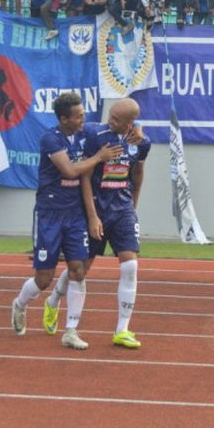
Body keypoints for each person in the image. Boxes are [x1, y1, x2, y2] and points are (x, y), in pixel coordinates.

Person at [11, 92, 124, 350]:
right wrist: (97, 158)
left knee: (78, 270)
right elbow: (70, 170)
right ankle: (19, 304)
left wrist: (135, 130)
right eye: (79, 116)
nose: (84, 118)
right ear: (64, 119)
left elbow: (114, 127)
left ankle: (71, 330)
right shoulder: (51, 139)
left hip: (75, 215)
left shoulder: (85, 133)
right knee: (44, 279)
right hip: (50, 214)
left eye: (84, 114)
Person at [54, 98, 151, 350]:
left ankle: (122, 330)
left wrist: (133, 206)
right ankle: (54, 298)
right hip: (97, 210)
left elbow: (138, 174)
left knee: (130, 266)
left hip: (123, 212)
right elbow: (85, 176)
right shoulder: (96, 134)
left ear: (130, 123)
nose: (111, 120)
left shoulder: (142, 143)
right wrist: (93, 216)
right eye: (111, 115)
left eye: (117, 119)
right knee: (81, 268)